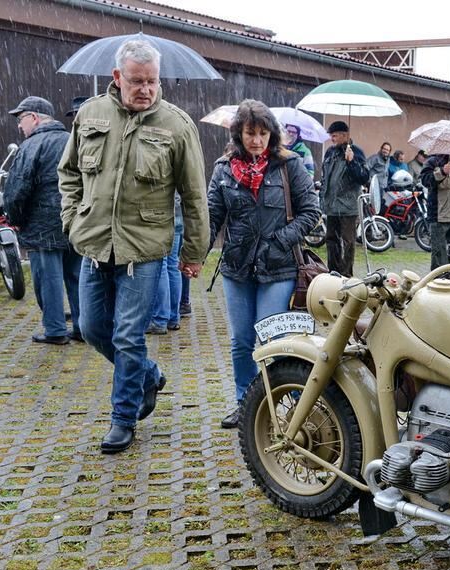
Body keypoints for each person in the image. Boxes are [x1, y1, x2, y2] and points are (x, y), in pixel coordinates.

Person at [58, 39, 209, 454]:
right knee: (91, 328)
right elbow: (69, 172)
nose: (145, 89)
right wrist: (72, 220)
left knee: (127, 335)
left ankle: (122, 418)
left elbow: (195, 196)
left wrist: (193, 253)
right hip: (92, 245)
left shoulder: (176, 125)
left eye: (152, 81)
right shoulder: (90, 114)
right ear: (117, 77)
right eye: (137, 81)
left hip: (143, 250)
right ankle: (149, 374)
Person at [208, 100, 320, 428]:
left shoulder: (289, 165)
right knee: (241, 340)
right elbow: (212, 216)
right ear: (238, 134)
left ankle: (298, 403)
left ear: (272, 134)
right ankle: (246, 403)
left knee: (274, 338)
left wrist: (280, 240)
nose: (256, 140)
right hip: (237, 267)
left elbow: (311, 212)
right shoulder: (224, 168)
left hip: (279, 267)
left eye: (262, 133)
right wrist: (193, 251)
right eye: (250, 133)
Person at [4, 95, 81, 345]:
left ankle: (55, 330)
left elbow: (17, 188)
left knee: (47, 279)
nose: (19, 125)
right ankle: (83, 327)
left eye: (21, 118)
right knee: (77, 276)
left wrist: (13, 217)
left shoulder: (31, 145)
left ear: (34, 118)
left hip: (41, 225)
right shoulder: (72, 140)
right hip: (74, 220)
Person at [319, 120, 368, 277]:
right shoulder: (330, 152)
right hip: (331, 205)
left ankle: (346, 274)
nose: (332, 139)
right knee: (331, 239)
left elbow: (363, 177)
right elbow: (325, 176)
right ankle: (333, 272)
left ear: (345, 135)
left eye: (334, 136)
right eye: (331, 136)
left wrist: (352, 162)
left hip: (347, 206)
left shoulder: (356, 152)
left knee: (348, 242)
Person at [421, 154, 450, 271]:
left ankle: (444, 271)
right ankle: (439, 279)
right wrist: (441, 172)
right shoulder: (432, 162)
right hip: (438, 214)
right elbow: (425, 180)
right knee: (438, 252)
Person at [147, 194, 184, 334]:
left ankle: (160, 319)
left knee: (160, 265)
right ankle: (173, 318)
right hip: (178, 214)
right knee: (172, 265)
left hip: (161, 216)